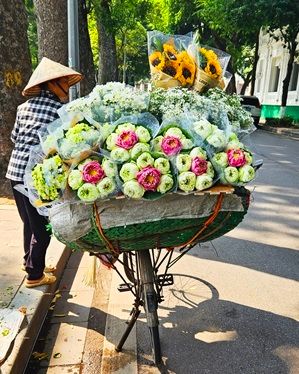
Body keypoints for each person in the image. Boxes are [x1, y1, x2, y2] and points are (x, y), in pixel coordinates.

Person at [6, 57, 82, 288]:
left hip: (14, 171)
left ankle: (29, 262)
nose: (67, 89)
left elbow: (14, 137)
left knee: (28, 222)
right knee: (42, 227)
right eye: (64, 84)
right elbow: (62, 145)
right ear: (53, 84)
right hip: (36, 177)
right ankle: (34, 275)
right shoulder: (59, 110)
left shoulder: (23, 108)